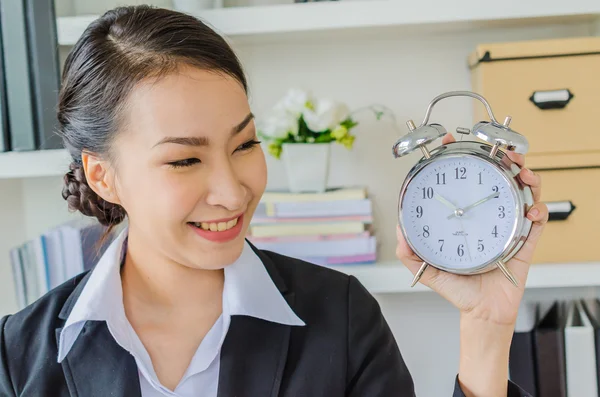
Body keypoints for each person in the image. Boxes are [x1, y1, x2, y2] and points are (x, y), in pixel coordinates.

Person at [0, 5, 548, 397]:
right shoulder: (17, 357)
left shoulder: (343, 318)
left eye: (245, 145)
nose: (233, 190)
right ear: (103, 176)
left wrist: (486, 327)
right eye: (185, 159)